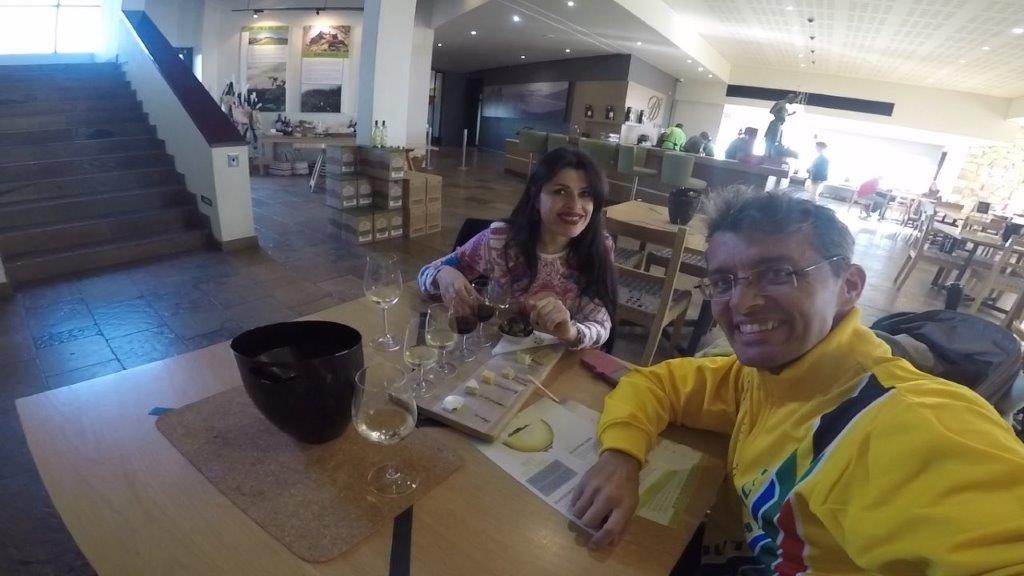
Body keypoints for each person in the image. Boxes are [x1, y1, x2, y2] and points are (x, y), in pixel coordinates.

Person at [569, 191, 1024, 571]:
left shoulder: (916, 424)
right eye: (724, 282)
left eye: (777, 274)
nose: (742, 303)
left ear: (849, 285)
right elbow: (655, 384)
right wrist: (621, 456)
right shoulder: (762, 377)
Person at [418, 148, 616, 349]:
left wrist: (570, 331)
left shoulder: (599, 248)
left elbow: (601, 325)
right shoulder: (500, 240)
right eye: (560, 191)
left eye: (585, 194)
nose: (574, 205)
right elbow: (425, 276)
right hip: (494, 353)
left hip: (556, 359)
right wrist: (443, 273)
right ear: (536, 196)